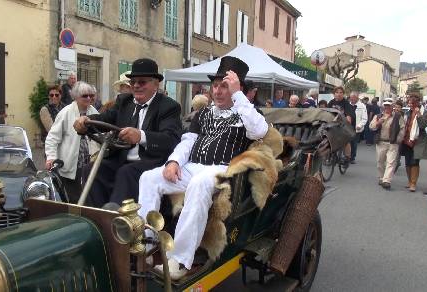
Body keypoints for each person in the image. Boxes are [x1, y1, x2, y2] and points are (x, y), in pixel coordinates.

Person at [137, 56, 268, 279]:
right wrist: (174, 161)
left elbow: (259, 131)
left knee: (199, 184)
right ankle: (146, 247)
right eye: (215, 86)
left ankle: (180, 259)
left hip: (223, 170)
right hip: (193, 166)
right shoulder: (204, 113)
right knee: (148, 178)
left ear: (238, 88)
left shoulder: (248, 113)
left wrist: (238, 96)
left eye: (224, 86)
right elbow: (188, 140)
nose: (217, 91)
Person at [74, 58, 182, 207]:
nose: (136, 86)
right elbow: (105, 118)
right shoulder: (124, 102)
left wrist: (141, 136)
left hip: (151, 162)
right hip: (121, 159)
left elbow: (171, 139)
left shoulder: (169, 107)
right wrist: (85, 122)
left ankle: (117, 219)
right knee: (91, 169)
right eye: (133, 82)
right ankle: (97, 216)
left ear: (156, 84)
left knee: (126, 172)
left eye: (142, 82)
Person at [45, 82, 100, 203]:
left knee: (89, 196)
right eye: (85, 96)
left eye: (91, 96)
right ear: (75, 96)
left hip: (90, 162)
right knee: (74, 198)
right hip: (71, 164)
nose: (89, 98)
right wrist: (51, 157)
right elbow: (52, 138)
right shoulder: (66, 112)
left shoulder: (94, 111)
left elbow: (100, 135)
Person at [369, 98, 405, 189]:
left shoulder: (398, 116)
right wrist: (378, 122)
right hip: (381, 142)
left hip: (393, 143)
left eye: (389, 105)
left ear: (392, 106)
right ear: (383, 106)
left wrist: (398, 139)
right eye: (385, 105)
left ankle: (387, 180)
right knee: (380, 161)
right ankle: (381, 177)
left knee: (391, 162)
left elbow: (402, 129)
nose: (387, 107)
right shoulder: (378, 116)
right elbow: (371, 127)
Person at [400, 93, 427, 192]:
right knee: (408, 162)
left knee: (414, 162)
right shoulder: (408, 111)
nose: (410, 104)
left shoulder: (424, 112)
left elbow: (423, 125)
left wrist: (418, 114)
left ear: (417, 102)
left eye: (412, 103)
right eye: (409, 102)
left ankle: (413, 183)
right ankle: (409, 182)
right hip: (407, 140)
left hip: (418, 141)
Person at [328, 86, 356, 162]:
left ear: (343, 94)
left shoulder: (346, 103)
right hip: (332, 124)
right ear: (334, 94)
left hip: (343, 124)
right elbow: (326, 113)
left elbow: (348, 115)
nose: (339, 94)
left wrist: (347, 121)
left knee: (345, 140)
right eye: (337, 92)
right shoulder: (331, 102)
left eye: (341, 92)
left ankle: (347, 156)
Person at [349, 91, 368, 163]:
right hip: (348, 127)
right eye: (351, 97)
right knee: (347, 143)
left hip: (356, 128)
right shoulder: (348, 105)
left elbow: (364, 118)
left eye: (354, 97)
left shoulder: (362, 106)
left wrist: (360, 125)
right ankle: (347, 156)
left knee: (353, 143)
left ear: (357, 98)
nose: (352, 99)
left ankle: (352, 157)